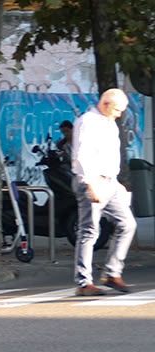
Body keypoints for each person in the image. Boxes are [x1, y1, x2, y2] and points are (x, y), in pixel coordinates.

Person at [71, 88, 136, 296]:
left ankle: (112, 273)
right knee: (89, 231)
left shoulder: (109, 123)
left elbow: (108, 156)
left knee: (128, 224)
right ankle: (83, 282)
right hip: (92, 180)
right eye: (117, 110)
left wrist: (116, 183)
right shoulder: (88, 121)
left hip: (110, 182)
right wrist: (91, 184)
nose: (120, 114)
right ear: (105, 104)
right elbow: (83, 155)